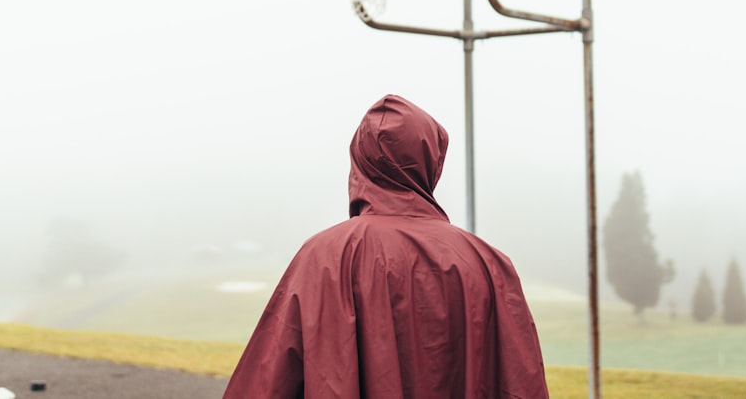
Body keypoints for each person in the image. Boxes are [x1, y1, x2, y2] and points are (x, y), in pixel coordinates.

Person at [223, 94, 549, 398]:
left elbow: (267, 382)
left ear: (359, 162)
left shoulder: (323, 258)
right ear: (431, 161)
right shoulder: (489, 264)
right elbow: (521, 383)